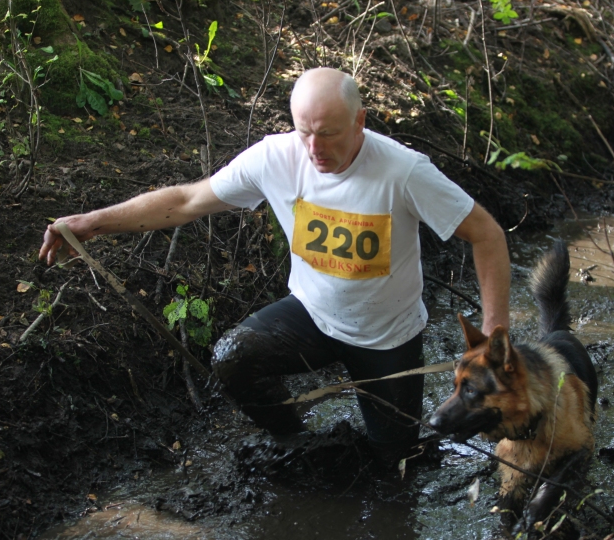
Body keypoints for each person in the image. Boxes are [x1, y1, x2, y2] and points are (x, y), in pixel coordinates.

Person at [40, 67, 510, 465]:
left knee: (394, 466)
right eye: (304, 132)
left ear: (360, 122)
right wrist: (94, 222)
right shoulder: (275, 158)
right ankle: (302, 443)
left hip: (388, 337)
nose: (314, 149)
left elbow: (486, 233)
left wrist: (493, 335)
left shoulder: (403, 171)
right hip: (312, 316)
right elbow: (185, 201)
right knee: (231, 358)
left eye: (328, 134)